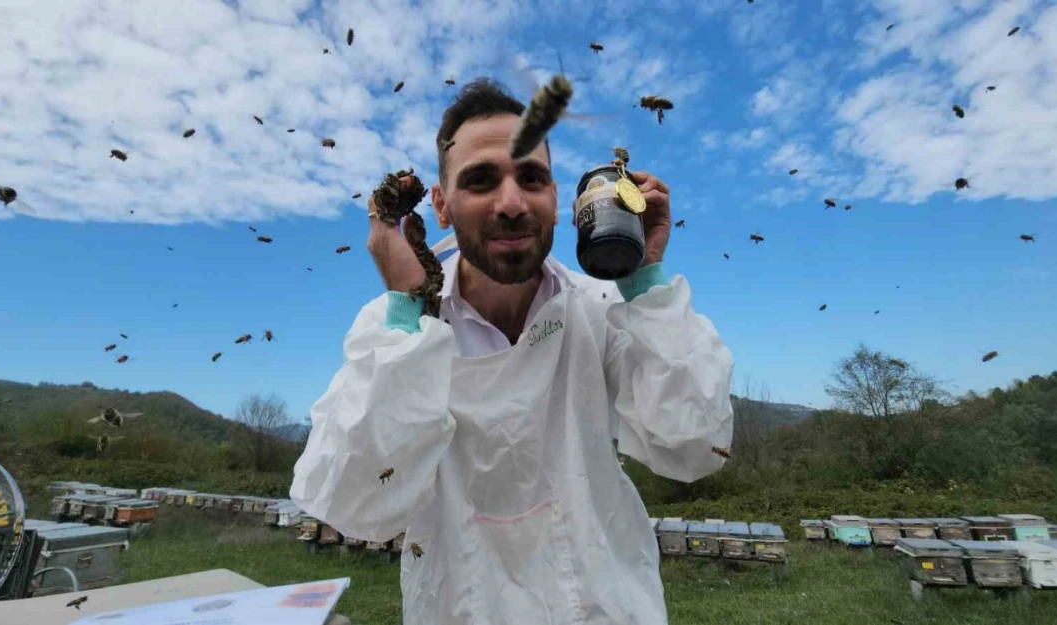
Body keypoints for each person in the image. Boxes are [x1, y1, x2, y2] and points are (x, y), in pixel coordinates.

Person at [291, 78, 734, 625]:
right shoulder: (397, 327)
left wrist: (644, 280)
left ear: (556, 199)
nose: (511, 203)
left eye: (531, 177)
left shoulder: (600, 307)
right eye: (480, 180)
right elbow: (355, 502)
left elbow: (695, 444)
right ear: (441, 206)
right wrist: (408, 308)